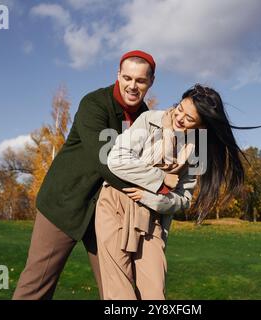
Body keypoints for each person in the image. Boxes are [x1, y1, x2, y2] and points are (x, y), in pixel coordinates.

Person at [12, 50, 157, 300]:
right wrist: (157, 188)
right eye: (127, 78)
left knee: (120, 290)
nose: (132, 86)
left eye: (140, 80)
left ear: (150, 82)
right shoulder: (94, 104)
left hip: (108, 213)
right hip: (64, 204)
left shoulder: (148, 118)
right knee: (35, 287)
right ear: (118, 76)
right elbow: (106, 161)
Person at [95, 84, 247, 300]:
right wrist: (161, 179)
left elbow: (184, 200)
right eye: (181, 108)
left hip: (152, 219)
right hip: (116, 204)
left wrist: (152, 197)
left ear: (202, 126)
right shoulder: (149, 121)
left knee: (155, 294)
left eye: (190, 118)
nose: (180, 117)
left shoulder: (198, 148)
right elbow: (116, 159)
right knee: (120, 294)